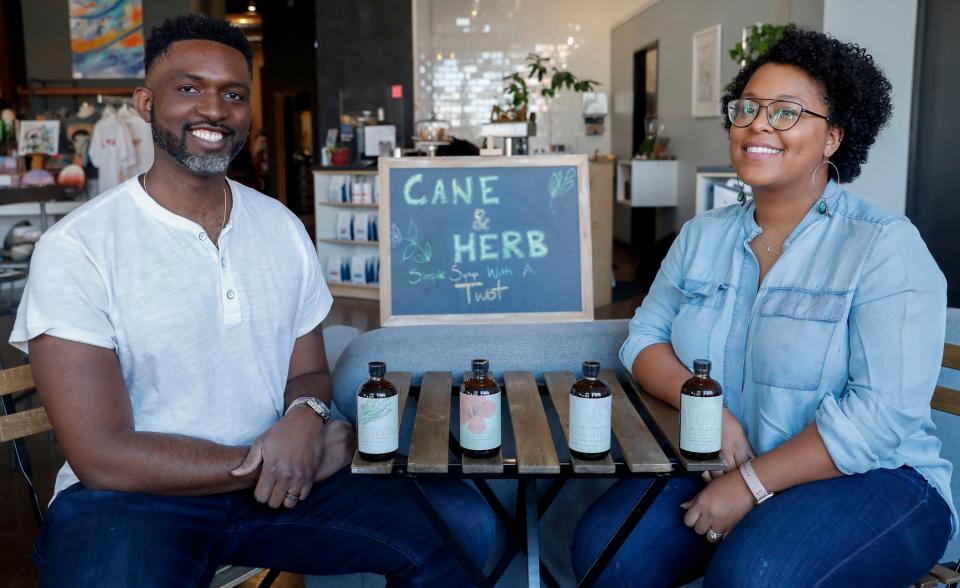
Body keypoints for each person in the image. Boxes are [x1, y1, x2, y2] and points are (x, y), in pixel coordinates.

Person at [11, 15, 493, 587]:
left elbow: (309, 370)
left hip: (285, 490)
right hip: (130, 500)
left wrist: (305, 418)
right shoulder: (78, 248)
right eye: (189, 88)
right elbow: (102, 455)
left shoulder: (281, 227)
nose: (214, 109)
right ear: (145, 103)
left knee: (463, 526)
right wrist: (287, 457)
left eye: (233, 94)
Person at [572, 27, 954, 587]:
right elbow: (642, 340)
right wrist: (709, 411)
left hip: (877, 478)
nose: (756, 125)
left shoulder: (883, 246)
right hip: (719, 456)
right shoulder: (701, 236)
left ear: (833, 139)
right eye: (747, 108)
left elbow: (880, 420)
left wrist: (751, 487)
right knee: (606, 553)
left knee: (754, 575)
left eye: (785, 113)